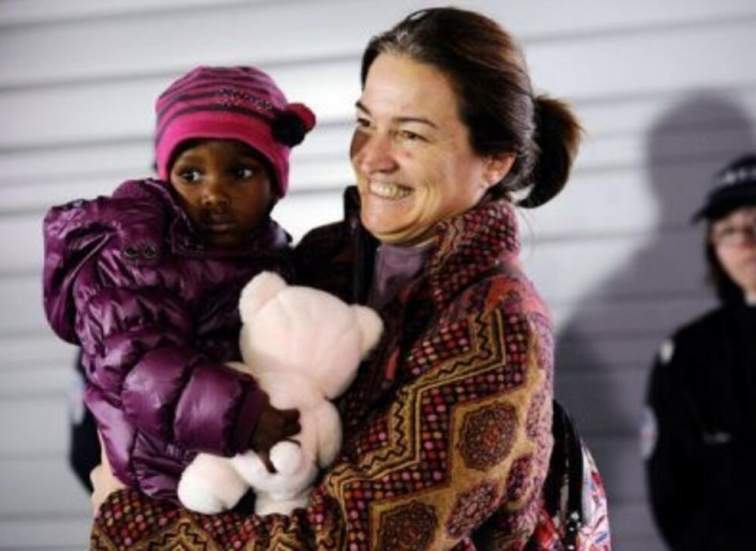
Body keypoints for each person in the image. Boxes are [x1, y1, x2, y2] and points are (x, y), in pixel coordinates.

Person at [88, 7, 610, 551]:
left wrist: (128, 523)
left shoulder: (494, 330)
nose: (371, 158)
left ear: (495, 163)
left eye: (411, 134)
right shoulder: (322, 259)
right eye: (365, 123)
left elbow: (348, 541)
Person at [43, 65, 316, 504]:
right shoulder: (134, 253)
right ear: (165, 177)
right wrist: (243, 413)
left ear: (276, 185)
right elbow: (135, 365)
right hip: (157, 485)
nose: (214, 193)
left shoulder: (282, 262)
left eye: (241, 173)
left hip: (240, 478)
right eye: (191, 174)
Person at [644, 153, 756, 551]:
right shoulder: (688, 353)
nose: (744, 241)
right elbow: (670, 487)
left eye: (755, 224)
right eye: (727, 229)